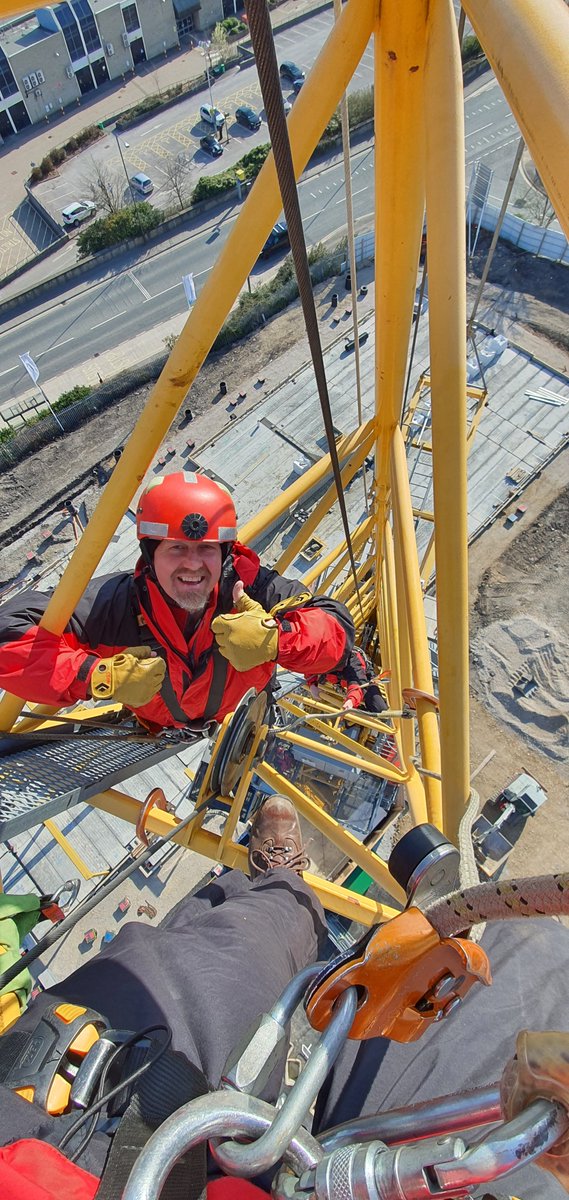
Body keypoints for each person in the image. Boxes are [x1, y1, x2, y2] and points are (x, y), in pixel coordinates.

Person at [0, 796, 567, 1200]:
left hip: (47, 1141)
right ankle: (284, 897)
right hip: (208, 1163)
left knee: (197, 952)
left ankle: (271, 887)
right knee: (525, 962)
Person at [0, 472, 355, 731]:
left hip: (242, 717)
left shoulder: (250, 590)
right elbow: (8, 632)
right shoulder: (115, 605)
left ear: (225, 554)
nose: (193, 564)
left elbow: (335, 626)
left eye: (206, 549)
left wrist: (279, 639)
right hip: (165, 726)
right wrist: (96, 676)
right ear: (150, 556)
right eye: (177, 548)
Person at [306, 647, 388, 714]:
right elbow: (310, 667)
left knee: (379, 709)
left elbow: (357, 682)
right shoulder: (324, 655)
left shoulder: (353, 660)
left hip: (364, 678)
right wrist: (312, 684)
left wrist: (351, 700)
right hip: (338, 678)